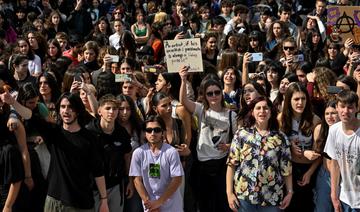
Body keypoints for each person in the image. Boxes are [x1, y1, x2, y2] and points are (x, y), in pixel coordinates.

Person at [35, 92, 109, 212]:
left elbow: (98, 171)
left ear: (78, 111)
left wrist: (104, 199)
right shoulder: (54, 133)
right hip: (54, 200)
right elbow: (29, 115)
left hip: (81, 203)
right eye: (63, 107)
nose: (66, 110)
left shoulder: (90, 138)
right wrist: (12, 103)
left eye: (70, 107)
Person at [179, 66, 236, 212]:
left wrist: (229, 145)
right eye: (210, 93)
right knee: (205, 204)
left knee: (221, 203)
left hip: (222, 164)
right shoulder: (200, 110)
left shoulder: (231, 115)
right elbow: (184, 101)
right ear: (205, 96)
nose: (214, 96)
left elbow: (237, 140)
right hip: (203, 165)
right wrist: (183, 79)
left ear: (222, 94)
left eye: (217, 92)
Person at [226, 96, 293, 211]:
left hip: (272, 197)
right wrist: (229, 193)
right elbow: (231, 165)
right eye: (258, 108)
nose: (262, 111)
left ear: (271, 112)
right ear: (252, 112)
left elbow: (286, 169)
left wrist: (290, 192)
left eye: (266, 108)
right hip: (245, 196)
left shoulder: (280, 138)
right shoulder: (241, 135)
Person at [86, 94, 132, 212]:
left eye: (115, 108)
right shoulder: (89, 132)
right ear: (99, 111)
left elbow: (127, 157)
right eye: (107, 108)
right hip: (92, 187)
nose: (111, 111)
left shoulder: (122, 133)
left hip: (115, 185)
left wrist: (130, 181)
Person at [129, 115, 184, 211]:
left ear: (163, 132)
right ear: (144, 133)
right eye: (149, 130)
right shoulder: (138, 153)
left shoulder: (171, 152)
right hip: (150, 205)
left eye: (157, 130)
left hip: (172, 205)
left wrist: (158, 203)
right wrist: (150, 204)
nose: (153, 133)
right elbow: (137, 180)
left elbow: (177, 180)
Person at [324, 90, 360, 211]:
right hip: (345, 198)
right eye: (342, 106)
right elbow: (335, 164)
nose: (345, 111)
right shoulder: (334, 130)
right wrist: (334, 195)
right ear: (337, 107)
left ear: (356, 108)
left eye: (350, 107)